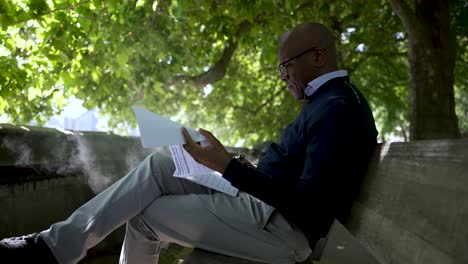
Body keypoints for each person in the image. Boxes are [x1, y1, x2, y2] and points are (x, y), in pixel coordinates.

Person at [0, 21, 378, 264]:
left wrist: (228, 168)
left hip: (280, 229)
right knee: (160, 164)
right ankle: (52, 247)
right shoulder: (329, 102)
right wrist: (227, 161)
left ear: (318, 55)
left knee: (146, 216)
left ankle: (53, 250)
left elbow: (310, 211)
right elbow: (295, 172)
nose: (282, 76)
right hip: (261, 206)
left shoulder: (340, 110)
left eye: (286, 65)